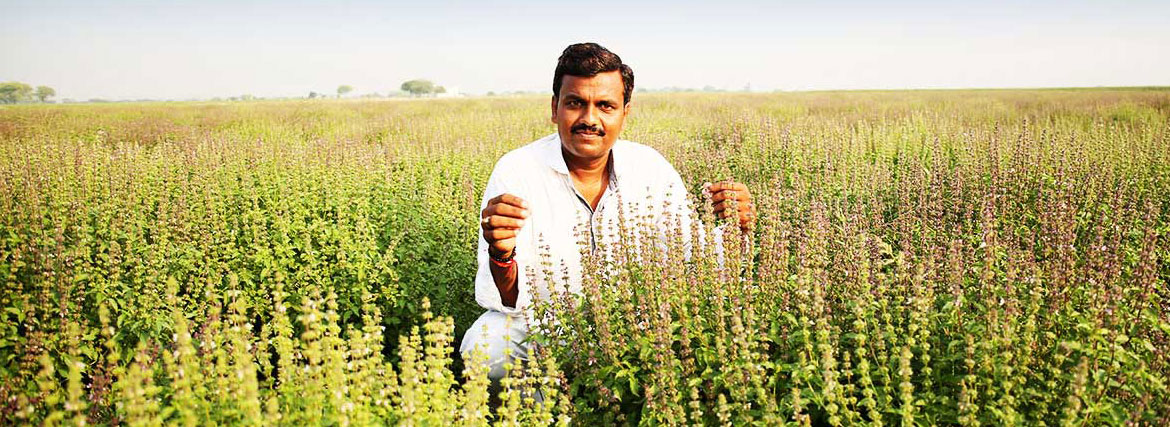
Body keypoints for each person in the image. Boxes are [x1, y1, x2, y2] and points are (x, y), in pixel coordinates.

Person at [459, 43, 756, 381]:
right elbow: (508, 299)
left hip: (636, 324)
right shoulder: (518, 170)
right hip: (549, 324)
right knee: (487, 348)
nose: (590, 119)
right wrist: (501, 252)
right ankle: (543, 413)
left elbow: (696, 262)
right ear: (555, 108)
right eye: (575, 103)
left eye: (605, 106)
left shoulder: (651, 169)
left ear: (624, 113)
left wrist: (739, 228)